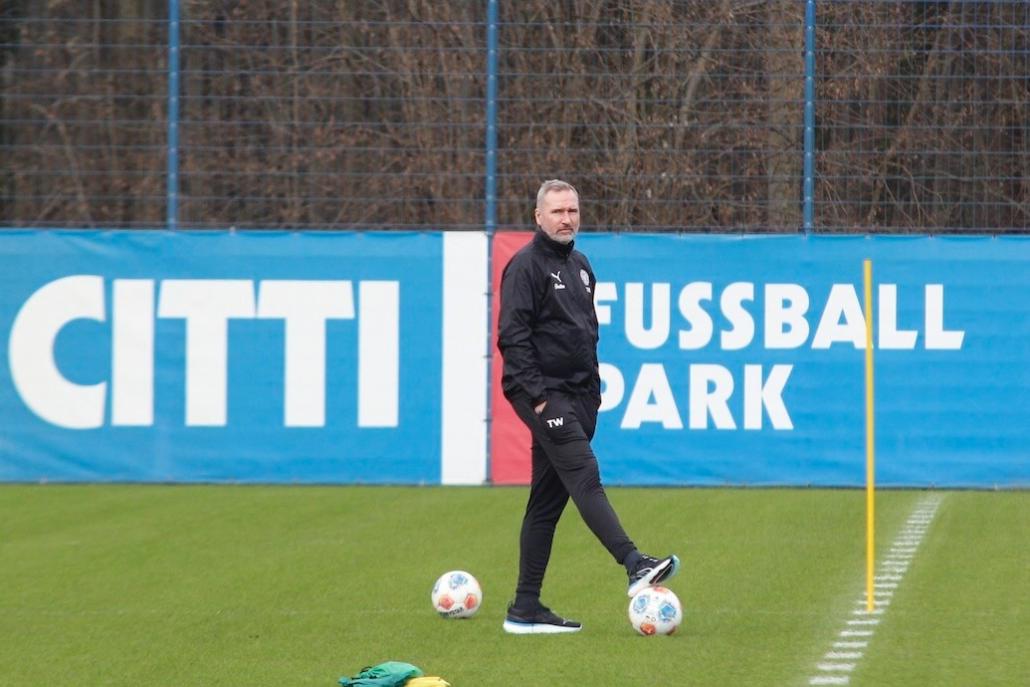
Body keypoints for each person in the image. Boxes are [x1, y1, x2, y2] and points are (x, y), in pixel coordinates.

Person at [496, 179, 679, 634]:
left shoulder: (580, 265)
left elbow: (585, 334)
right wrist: (539, 397)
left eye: (572, 211)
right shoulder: (525, 266)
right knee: (585, 474)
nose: (566, 219)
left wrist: (591, 393)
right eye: (557, 211)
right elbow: (512, 337)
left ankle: (525, 608)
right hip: (545, 395)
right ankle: (634, 563)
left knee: (546, 503)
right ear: (538, 216)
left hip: (580, 396)